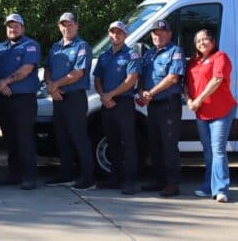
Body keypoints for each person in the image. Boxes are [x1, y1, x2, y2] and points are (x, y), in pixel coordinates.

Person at [43, 12, 94, 191]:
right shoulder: (55, 47)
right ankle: (65, 175)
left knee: (79, 138)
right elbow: (47, 68)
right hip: (58, 98)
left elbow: (78, 73)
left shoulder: (82, 46)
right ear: (59, 27)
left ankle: (88, 178)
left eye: (70, 24)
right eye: (63, 25)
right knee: (62, 138)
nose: (67, 28)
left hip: (74, 98)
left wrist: (55, 85)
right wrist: (51, 86)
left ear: (77, 26)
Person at [185, 29, 237, 203]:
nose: (201, 43)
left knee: (218, 150)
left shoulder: (220, 57)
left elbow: (217, 80)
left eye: (205, 39)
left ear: (213, 41)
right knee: (208, 152)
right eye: (198, 40)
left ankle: (221, 190)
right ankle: (208, 187)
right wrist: (189, 100)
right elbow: (186, 85)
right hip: (202, 112)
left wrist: (198, 100)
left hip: (222, 111)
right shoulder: (193, 62)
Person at [92, 21, 141, 195]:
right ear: (109, 34)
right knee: (112, 142)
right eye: (113, 32)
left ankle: (131, 181)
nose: (115, 35)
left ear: (125, 35)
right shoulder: (104, 56)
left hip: (123, 104)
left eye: (119, 32)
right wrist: (103, 96)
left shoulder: (131, 55)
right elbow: (97, 79)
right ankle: (115, 178)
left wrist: (110, 94)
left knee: (128, 143)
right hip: (107, 104)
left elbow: (131, 80)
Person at [0, 13, 41, 190]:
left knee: (24, 138)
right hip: (3, 98)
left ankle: (29, 177)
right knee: (10, 139)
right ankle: (14, 174)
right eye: (9, 26)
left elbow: (27, 69)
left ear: (23, 28)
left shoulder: (30, 46)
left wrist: (6, 81)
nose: (12, 29)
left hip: (23, 100)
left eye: (16, 26)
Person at [139, 19, 185, 197]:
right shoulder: (149, 54)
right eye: (154, 33)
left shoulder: (175, 51)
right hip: (153, 106)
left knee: (169, 145)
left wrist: (150, 92)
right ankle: (158, 179)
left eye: (161, 32)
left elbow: (173, 78)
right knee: (155, 144)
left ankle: (173, 183)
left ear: (170, 33)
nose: (157, 35)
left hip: (168, 105)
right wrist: (142, 91)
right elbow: (142, 77)